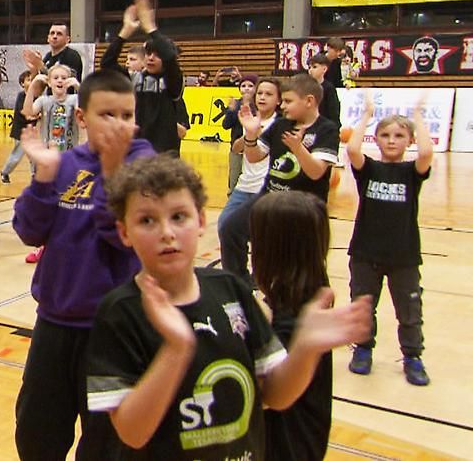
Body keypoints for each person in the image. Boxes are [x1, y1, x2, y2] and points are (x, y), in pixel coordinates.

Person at [85, 154, 371, 459]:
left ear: (201, 221)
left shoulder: (231, 289)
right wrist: (176, 349)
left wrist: (305, 349)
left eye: (179, 216)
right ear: (124, 232)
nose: (166, 232)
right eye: (147, 220)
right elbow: (132, 432)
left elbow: (275, 395)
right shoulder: (119, 312)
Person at [11, 69, 155, 460]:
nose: (119, 124)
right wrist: (43, 177)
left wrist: (110, 169)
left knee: (106, 446)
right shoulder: (66, 163)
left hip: (112, 332)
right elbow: (28, 230)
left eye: (127, 115)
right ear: (81, 118)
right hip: (54, 324)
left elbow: (119, 233)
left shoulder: (142, 162)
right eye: (107, 115)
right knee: (36, 435)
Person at [345, 91, 433, 386]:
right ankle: (363, 349)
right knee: (363, 306)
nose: (392, 140)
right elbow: (353, 149)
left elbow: (425, 154)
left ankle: (412, 356)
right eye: (385, 135)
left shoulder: (412, 172)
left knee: (409, 311)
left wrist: (417, 117)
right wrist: (368, 115)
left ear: (408, 140)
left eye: (399, 135)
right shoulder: (369, 169)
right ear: (376, 139)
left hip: (403, 256)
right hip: (365, 253)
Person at [219, 73, 339, 287]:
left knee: (305, 267)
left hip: (304, 208)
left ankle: (313, 301)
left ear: (309, 101)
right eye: (282, 101)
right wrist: (250, 135)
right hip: (270, 197)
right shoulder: (281, 124)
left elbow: (315, 172)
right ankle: (239, 285)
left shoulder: (326, 130)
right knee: (230, 229)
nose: (283, 106)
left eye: (288, 101)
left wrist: (298, 148)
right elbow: (254, 156)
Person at [251, 191, 336, 461]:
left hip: (288, 446)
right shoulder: (310, 291)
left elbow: (262, 397)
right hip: (307, 440)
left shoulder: (288, 317)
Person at [101, 0, 184, 155]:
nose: (151, 58)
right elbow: (107, 64)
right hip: (135, 151)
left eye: (156, 54)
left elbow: (169, 56)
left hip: (164, 154)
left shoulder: (173, 80)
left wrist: (151, 28)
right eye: (148, 53)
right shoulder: (134, 77)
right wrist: (124, 32)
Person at [19, 63, 80, 264]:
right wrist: (32, 87)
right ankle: (42, 246)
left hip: (69, 159)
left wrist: (78, 86)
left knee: (70, 203)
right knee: (47, 203)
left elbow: (88, 108)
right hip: (47, 161)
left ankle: (68, 245)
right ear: (50, 82)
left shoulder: (74, 99)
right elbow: (27, 111)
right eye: (56, 78)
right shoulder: (44, 101)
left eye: (64, 77)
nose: (60, 81)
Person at [217, 77, 280, 229]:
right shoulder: (250, 118)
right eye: (259, 93)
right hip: (245, 184)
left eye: (268, 94)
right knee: (225, 224)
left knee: (261, 232)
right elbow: (236, 148)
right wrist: (250, 134)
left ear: (279, 100)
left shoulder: (280, 123)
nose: (262, 97)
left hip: (266, 187)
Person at [220, 74, 259, 193]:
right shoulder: (235, 104)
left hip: (255, 148)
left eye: (250, 86)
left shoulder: (259, 105)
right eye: (243, 86)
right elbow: (226, 125)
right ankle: (232, 196)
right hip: (237, 149)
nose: (246, 88)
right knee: (234, 177)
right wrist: (231, 111)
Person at [0, 70, 36, 185]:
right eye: (28, 80)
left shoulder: (36, 96)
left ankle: (35, 175)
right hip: (21, 131)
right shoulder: (22, 95)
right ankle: (5, 172)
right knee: (17, 154)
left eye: (32, 79)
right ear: (22, 83)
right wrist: (33, 115)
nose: (31, 82)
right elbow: (23, 111)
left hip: (32, 131)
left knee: (34, 155)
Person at [307, 53, 341, 126]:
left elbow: (333, 112)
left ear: (324, 69)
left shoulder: (329, 88)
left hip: (325, 126)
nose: (311, 70)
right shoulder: (305, 87)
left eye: (314, 67)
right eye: (309, 67)